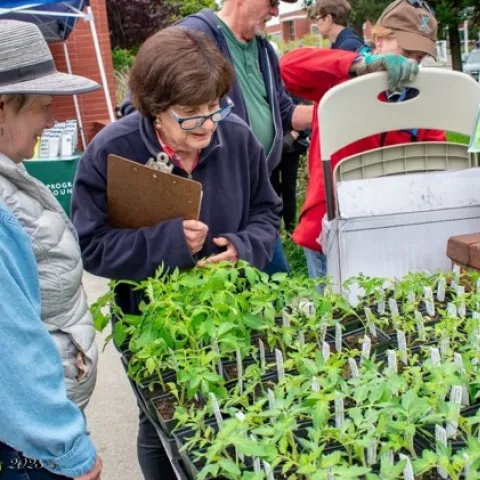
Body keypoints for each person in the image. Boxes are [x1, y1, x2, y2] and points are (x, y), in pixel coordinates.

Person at [71, 26, 282, 480]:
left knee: (234, 404)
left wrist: (243, 247)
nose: (207, 124)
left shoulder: (237, 138)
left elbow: (268, 212)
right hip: (151, 322)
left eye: (214, 107)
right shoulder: (112, 152)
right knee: (163, 419)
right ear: (154, 110)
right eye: (190, 114)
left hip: (230, 313)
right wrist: (168, 243)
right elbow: (89, 245)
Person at [120, 0, 314, 275]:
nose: (275, 12)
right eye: (272, 2)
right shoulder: (195, 34)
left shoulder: (262, 49)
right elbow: (140, 106)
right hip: (208, 193)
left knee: (272, 285)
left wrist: (326, 111)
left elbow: (282, 111)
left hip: (252, 189)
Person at [0, 20, 102, 479]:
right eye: (42, 106)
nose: (49, 120)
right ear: (2, 108)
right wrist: (67, 447)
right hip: (25, 445)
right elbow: (10, 346)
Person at [280, 0, 445, 282]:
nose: (411, 63)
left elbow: (437, 163)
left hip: (391, 233)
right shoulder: (342, 77)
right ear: (379, 39)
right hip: (329, 229)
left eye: (419, 57)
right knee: (335, 321)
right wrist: (361, 66)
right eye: (406, 51)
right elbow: (287, 68)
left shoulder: (422, 100)